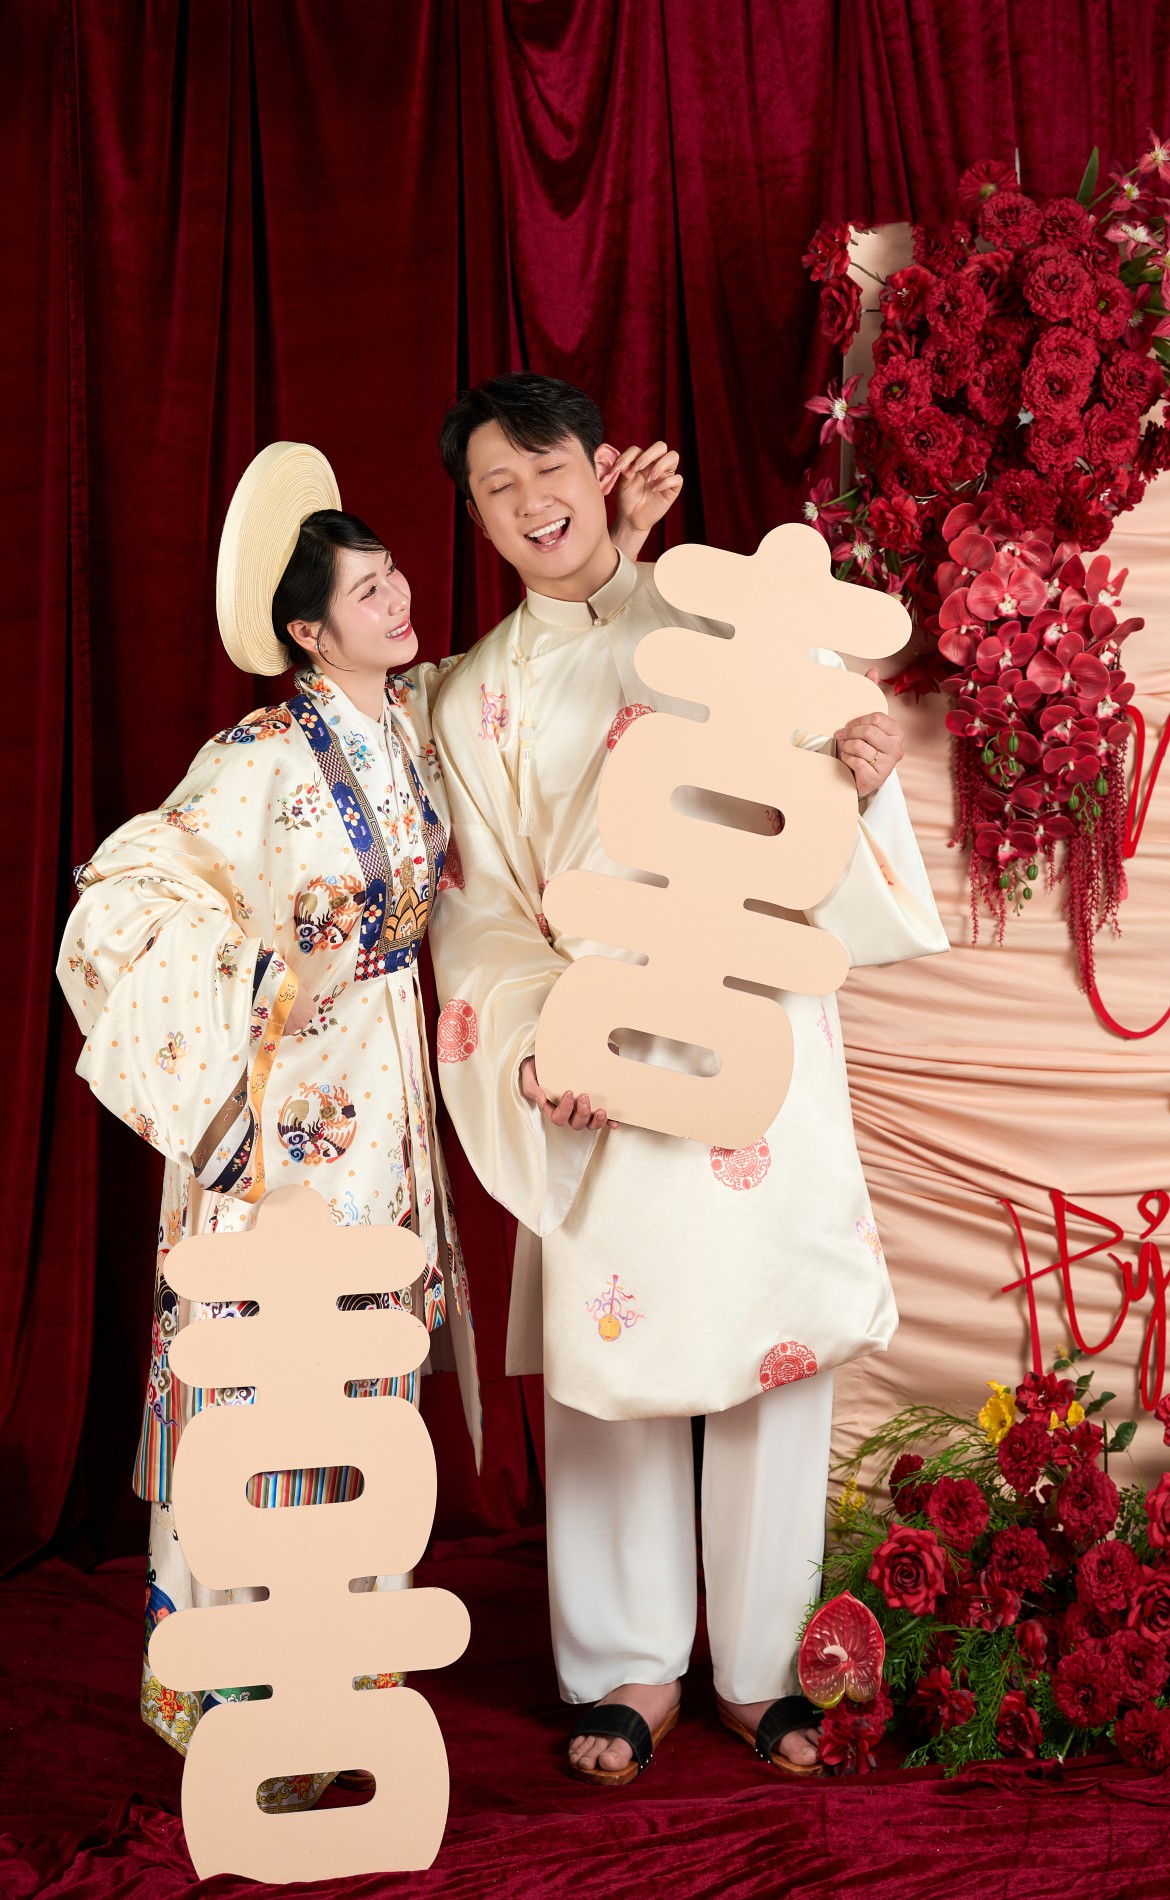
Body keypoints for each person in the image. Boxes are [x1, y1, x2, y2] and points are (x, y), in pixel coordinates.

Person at [55, 438, 669, 1809]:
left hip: (385, 1123)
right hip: (281, 1128)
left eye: (394, 576)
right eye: (368, 591)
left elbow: (524, 660)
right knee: (265, 1393)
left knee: (361, 1395)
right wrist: (259, 977)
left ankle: (338, 1683)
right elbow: (126, 897)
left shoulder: (418, 714)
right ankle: (238, 1698)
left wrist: (614, 545)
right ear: (305, 633)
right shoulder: (257, 759)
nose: (399, 599)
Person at [424, 373, 950, 1783]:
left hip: (749, 1018)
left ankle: (766, 1669)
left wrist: (862, 774)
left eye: (547, 468)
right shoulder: (473, 699)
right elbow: (478, 912)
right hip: (601, 1047)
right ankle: (627, 1666)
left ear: (599, 469)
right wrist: (536, 1043)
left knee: (774, 1346)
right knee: (617, 1358)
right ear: (476, 516)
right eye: (495, 487)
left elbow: (821, 807)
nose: (531, 503)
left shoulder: (722, 616)